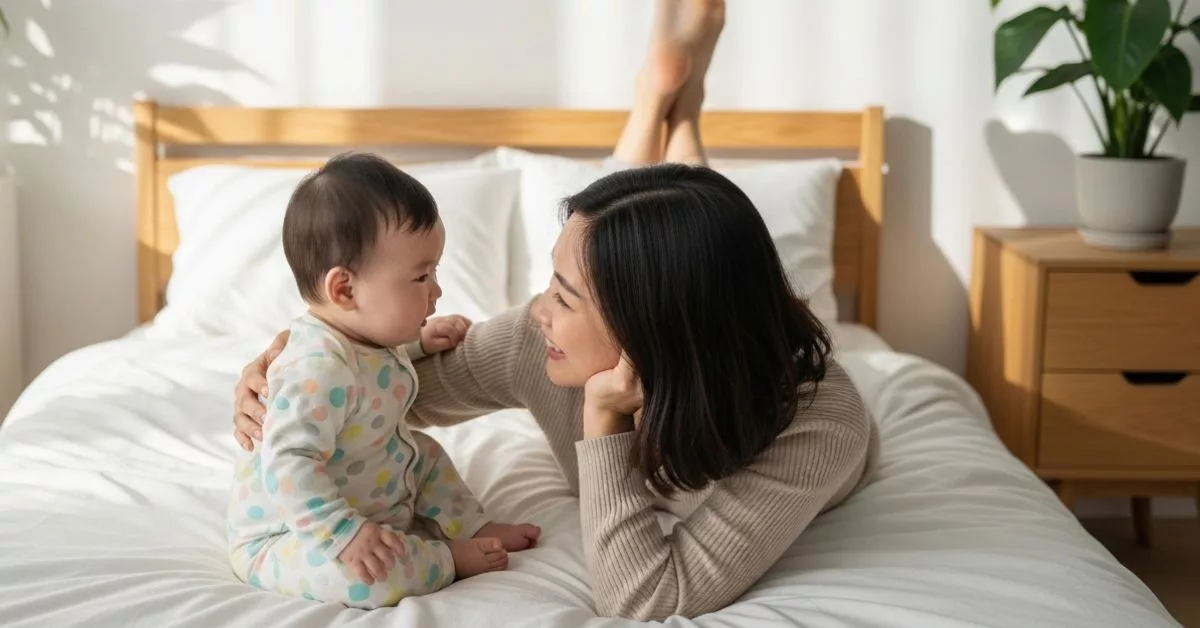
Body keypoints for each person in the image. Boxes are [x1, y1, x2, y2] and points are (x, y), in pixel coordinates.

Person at [234, 0, 878, 620]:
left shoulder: (813, 427)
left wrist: (603, 423)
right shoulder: (531, 340)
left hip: (725, 355)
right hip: (674, 309)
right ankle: (664, 105)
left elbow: (647, 598)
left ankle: (674, 110)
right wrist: (285, 368)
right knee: (654, 220)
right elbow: (379, 390)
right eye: (551, 283)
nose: (538, 310)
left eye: (564, 296)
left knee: (691, 250)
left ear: (644, 331)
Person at [227, 153, 540, 609]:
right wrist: (343, 532)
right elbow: (287, 463)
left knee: (425, 454)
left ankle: (469, 525)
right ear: (345, 290)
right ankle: (445, 556)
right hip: (291, 530)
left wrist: (418, 342)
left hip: (367, 481)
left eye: (434, 272)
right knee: (367, 580)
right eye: (420, 276)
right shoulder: (316, 367)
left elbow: (374, 362)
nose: (436, 290)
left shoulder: (363, 334)